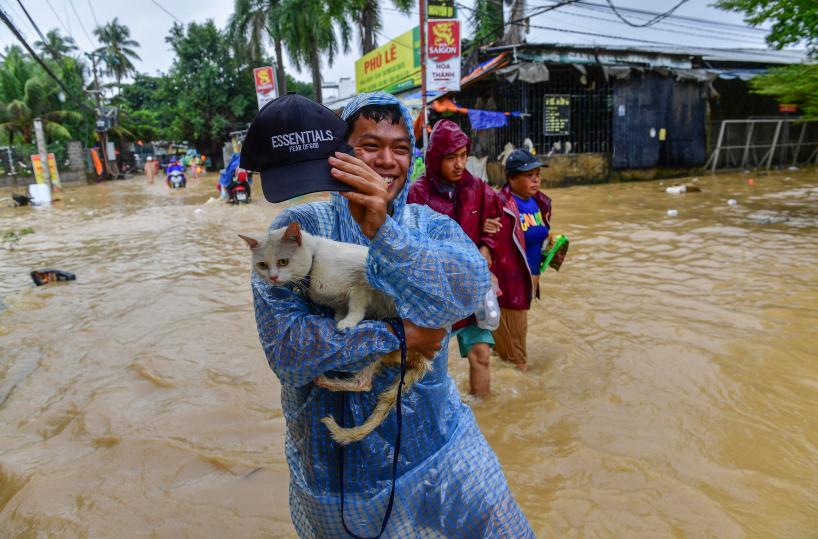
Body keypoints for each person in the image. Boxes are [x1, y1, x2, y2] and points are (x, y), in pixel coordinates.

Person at [249, 92, 533, 538]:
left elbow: (468, 289)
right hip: (340, 478)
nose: (386, 161)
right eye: (369, 146)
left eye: (400, 148)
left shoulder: (426, 225)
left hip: (443, 447)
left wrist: (386, 233)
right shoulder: (296, 229)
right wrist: (398, 337)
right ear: (339, 154)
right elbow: (288, 349)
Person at [407, 119, 501, 397]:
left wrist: (486, 247)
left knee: (481, 355)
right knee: (429, 365)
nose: (460, 164)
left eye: (463, 156)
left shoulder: (478, 189)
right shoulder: (418, 193)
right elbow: (410, 244)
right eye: (451, 158)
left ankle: (484, 414)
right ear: (436, 159)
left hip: (472, 291)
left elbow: (496, 219)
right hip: (435, 294)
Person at [491, 149, 553, 371]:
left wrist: (551, 243)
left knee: (507, 341)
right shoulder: (500, 205)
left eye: (537, 174)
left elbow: (535, 238)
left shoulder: (540, 202)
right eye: (529, 175)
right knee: (517, 352)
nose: (536, 179)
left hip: (530, 281)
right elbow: (486, 241)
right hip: (510, 285)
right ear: (512, 178)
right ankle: (523, 390)